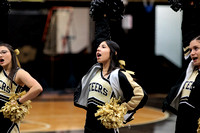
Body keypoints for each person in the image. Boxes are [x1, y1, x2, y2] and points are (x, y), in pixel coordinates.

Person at [74, 40, 148, 133]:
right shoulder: (94, 72)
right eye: (98, 47)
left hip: (106, 129)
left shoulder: (118, 75)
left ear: (114, 53)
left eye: (103, 47)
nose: (98, 49)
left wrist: (121, 109)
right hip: (88, 127)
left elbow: (140, 95)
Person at [0, 42, 43, 132]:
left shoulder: (19, 73)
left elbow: (37, 87)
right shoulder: (1, 72)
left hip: (8, 118)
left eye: (4, 52)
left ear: (12, 54)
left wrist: (19, 101)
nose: (1, 55)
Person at [162, 35, 200, 133]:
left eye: (196, 48)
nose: (192, 53)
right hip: (182, 122)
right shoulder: (189, 71)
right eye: (191, 50)